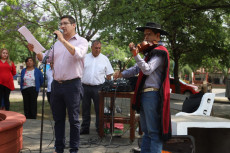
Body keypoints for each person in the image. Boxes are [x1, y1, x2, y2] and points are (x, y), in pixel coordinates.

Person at [28, 15, 88, 153]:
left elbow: (77, 54)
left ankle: (74, 149)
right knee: (58, 119)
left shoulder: (81, 41)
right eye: (61, 23)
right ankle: (59, 148)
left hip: (73, 85)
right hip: (56, 85)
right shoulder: (56, 44)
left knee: (73, 120)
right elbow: (46, 58)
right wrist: (36, 50)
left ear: (74, 25)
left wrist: (62, 40)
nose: (62, 26)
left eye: (65, 23)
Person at [113, 22, 171, 153]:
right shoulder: (149, 53)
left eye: (148, 34)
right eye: (144, 34)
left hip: (153, 94)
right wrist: (122, 74)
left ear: (157, 35)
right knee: (146, 131)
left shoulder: (160, 52)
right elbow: (136, 68)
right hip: (145, 95)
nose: (145, 38)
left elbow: (147, 70)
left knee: (154, 132)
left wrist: (135, 54)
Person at [80, 40, 114, 135]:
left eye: (99, 48)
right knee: (85, 108)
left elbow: (109, 74)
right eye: (96, 48)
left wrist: (109, 84)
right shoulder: (85, 57)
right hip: (85, 86)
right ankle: (85, 128)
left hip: (99, 88)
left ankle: (99, 128)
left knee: (99, 109)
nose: (98, 50)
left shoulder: (104, 59)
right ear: (91, 47)